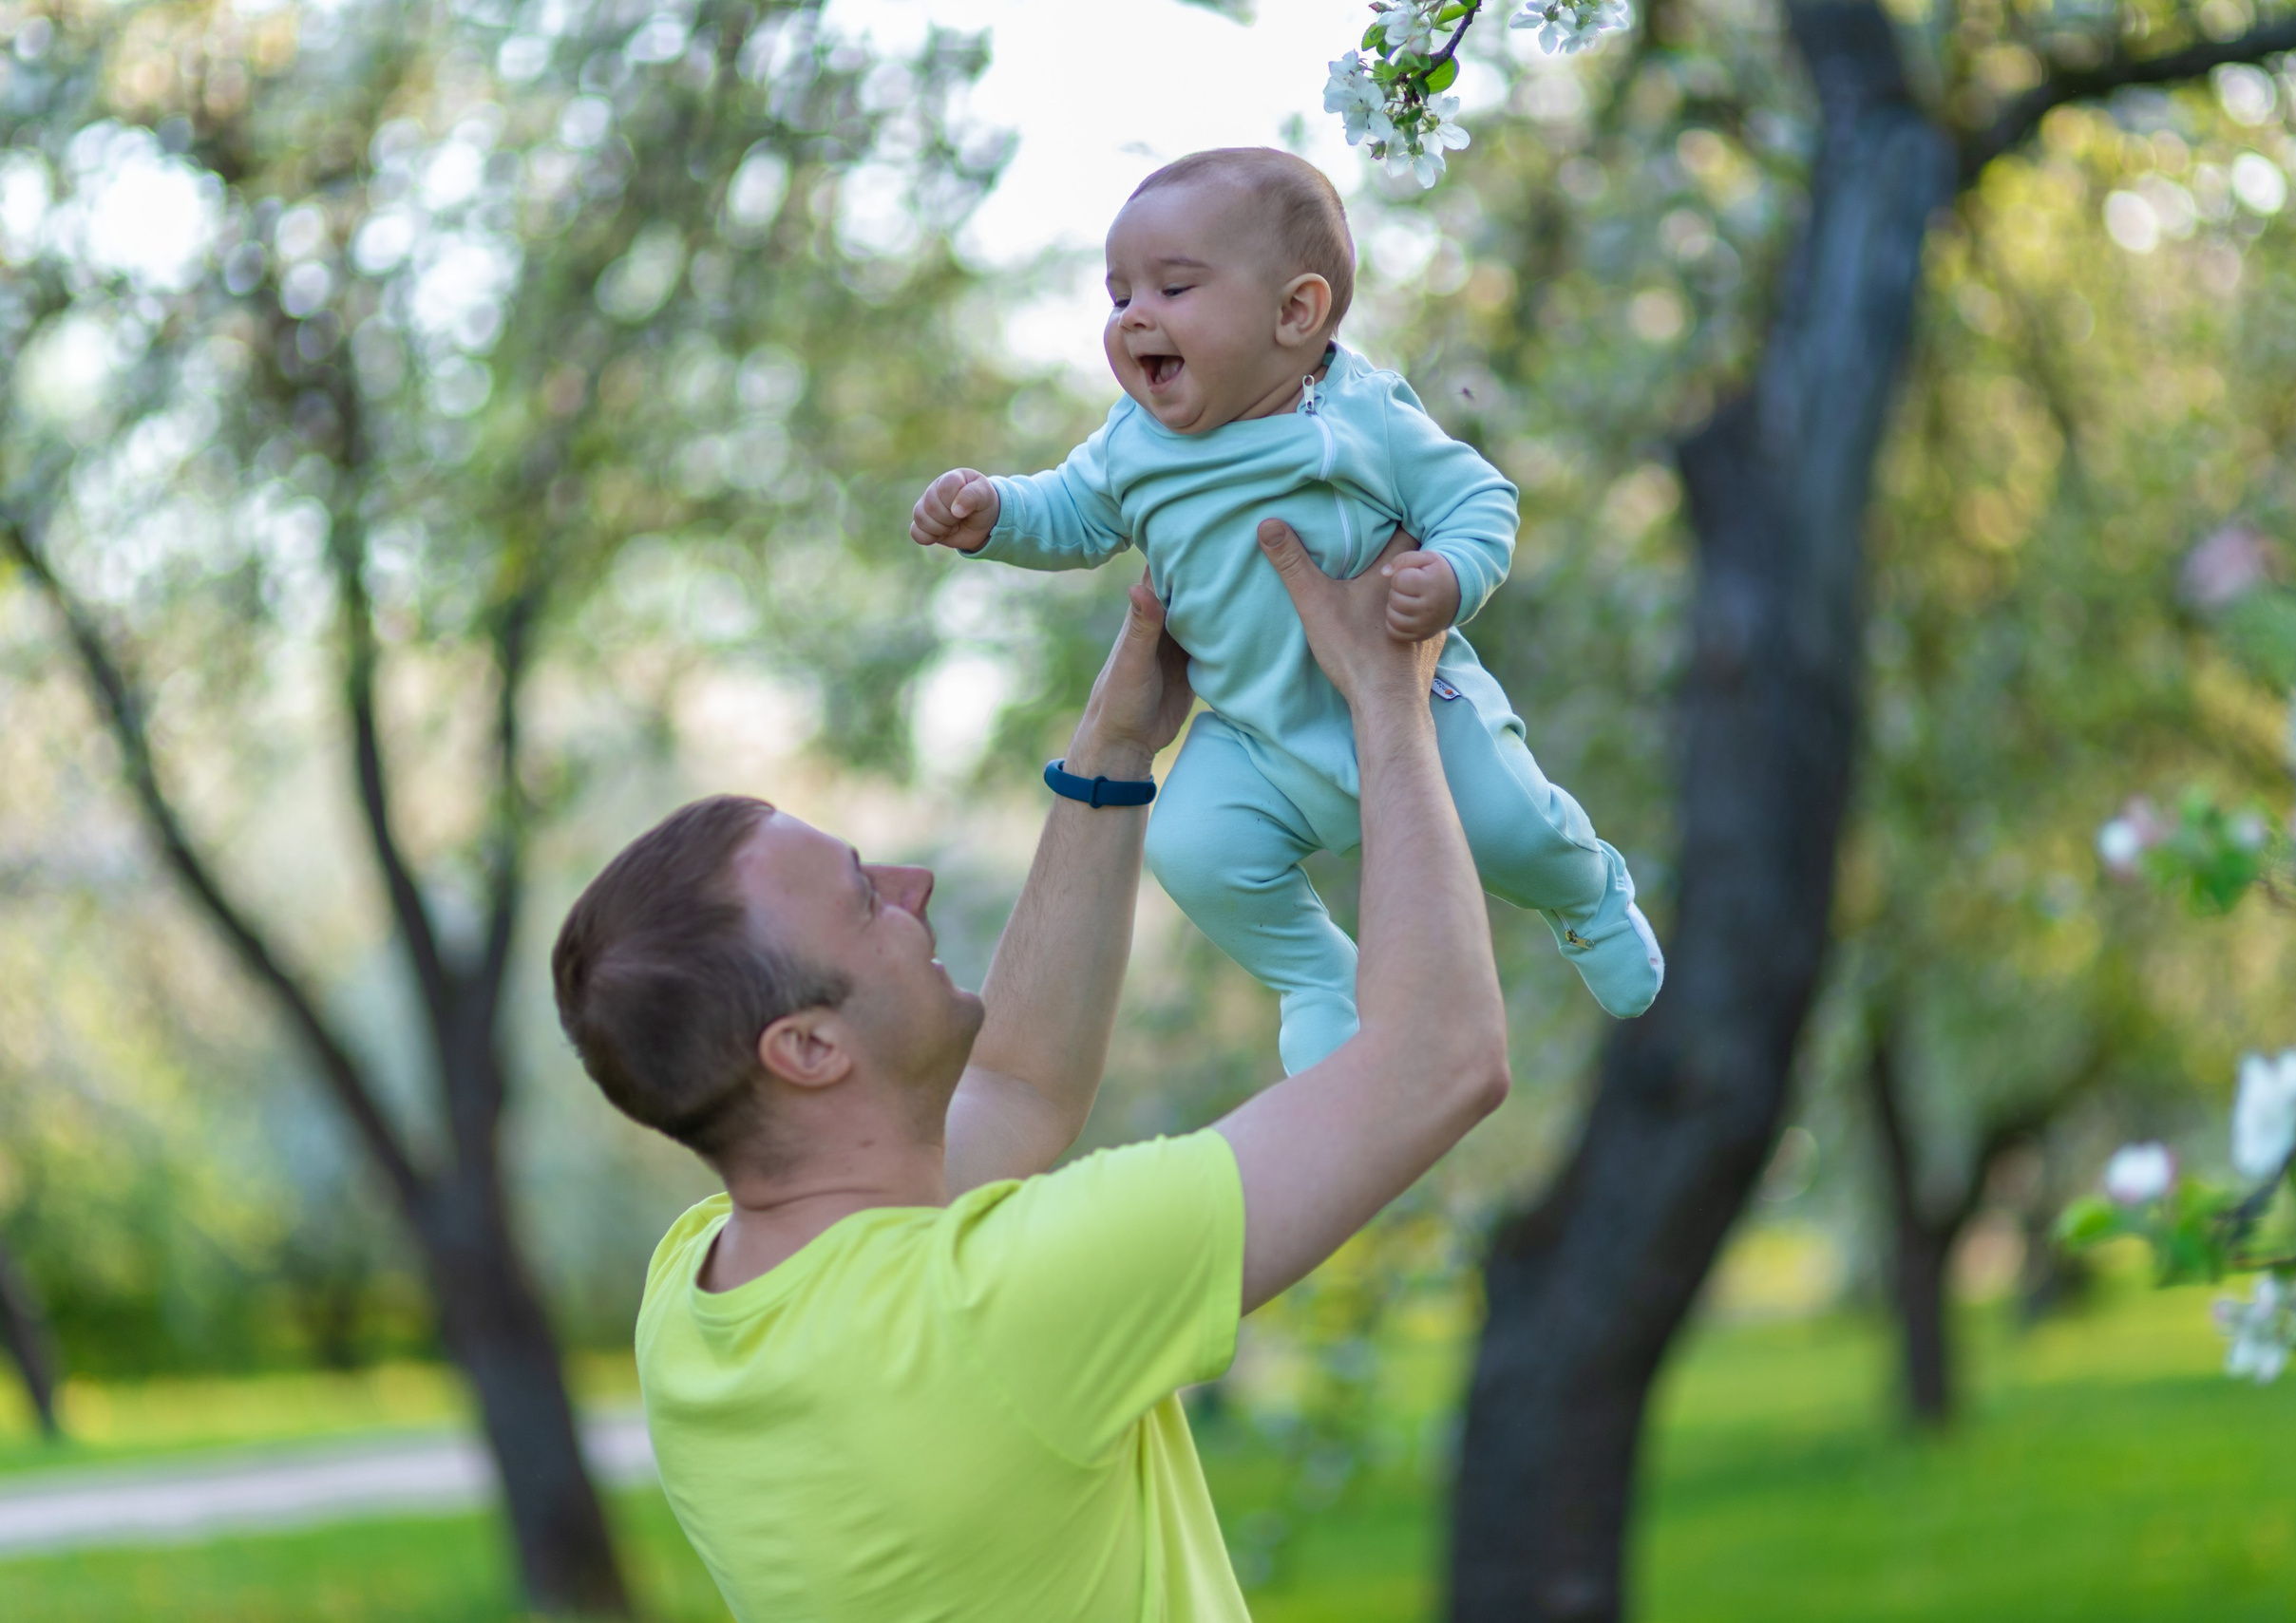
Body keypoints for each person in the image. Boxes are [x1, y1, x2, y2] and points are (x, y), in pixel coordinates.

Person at [550, 522, 1510, 1623]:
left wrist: (1115, 743)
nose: (912, 884)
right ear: (807, 1048)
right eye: (863, 896)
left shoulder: (696, 1303)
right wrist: (1386, 696)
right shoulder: (1003, 1307)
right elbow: (1438, 1058)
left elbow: (1017, 1088)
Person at [907, 145, 1662, 1075]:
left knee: (1511, 828)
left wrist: (1451, 573)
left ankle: (1586, 893)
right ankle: (1315, 978)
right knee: (1192, 847)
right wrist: (990, 514)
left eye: (1173, 287)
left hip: (1417, 708)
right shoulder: (1132, 443)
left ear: (1295, 313)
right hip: (1254, 733)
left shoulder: (1359, 414)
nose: (1134, 315)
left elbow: (1478, 499)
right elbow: (1068, 511)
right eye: (1118, 295)